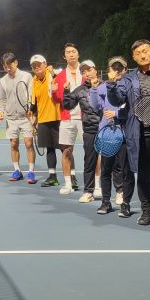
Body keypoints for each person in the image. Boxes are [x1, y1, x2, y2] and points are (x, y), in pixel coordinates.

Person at [106, 39, 150, 225]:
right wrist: (112, 85)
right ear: (133, 57)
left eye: (145, 51)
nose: (143, 55)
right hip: (140, 135)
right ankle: (147, 211)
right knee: (144, 176)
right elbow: (117, 101)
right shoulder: (128, 79)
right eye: (138, 53)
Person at [91, 57, 135, 217]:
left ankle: (126, 204)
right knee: (106, 170)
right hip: (107, 135)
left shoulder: (130, 85)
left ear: (125, 69)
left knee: (126, 171)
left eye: (120, 68)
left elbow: (133, 109)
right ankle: (105, 202)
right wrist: (93, 89)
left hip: (125, 135)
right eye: (113, 68)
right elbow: (95, 107)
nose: (116, 71)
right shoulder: (102, 87)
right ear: (109, 69)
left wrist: (116, 113)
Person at [62, 60, 101, 202]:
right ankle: (88, 192)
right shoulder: (79, 90)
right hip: (90, 129)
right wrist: (66, 91)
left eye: (89, 70)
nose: (87, 74)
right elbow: (68, 105)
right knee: (89, 161)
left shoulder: (107, 86)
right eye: (84, 72)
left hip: (106, 129)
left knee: (114, 162)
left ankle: (119, 191)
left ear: (95, 69)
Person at [0, 52, 36, 182]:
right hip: (11, 118)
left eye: (10, 65)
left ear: (16, 63)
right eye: (5, 66)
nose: (8, 68)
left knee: (29, 143)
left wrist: (31, 110)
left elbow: (32, 95)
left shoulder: (27, 76)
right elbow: (2, 99)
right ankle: (17, 171)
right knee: (13, 144)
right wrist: (1, 112)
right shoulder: (3, 81)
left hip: (25, 117)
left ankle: (31, 172)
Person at [51, 43, 84, 194]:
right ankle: (68, 184)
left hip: (85, 117)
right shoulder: (60, 77)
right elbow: (57, 99)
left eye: (73, 51)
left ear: (78, 54)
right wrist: (54, 92)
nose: (71, 54)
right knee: (66, 151)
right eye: (68, 52)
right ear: (64, 57)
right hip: (67, 117)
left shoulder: (86, 72)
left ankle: (96, 186)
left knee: (92, 151)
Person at [29, 54, 60, 186]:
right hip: (43, 120)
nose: (36, 67)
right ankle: (52, 177)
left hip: (58, 117)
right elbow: (34, 102)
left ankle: (72, 177)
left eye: (39, 64)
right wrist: (33, 116)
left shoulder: (53, 74)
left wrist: (53, 74)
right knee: (50, 149)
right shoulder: (34, 81)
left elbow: (61, 82)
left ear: (45, 64)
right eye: (34, 65)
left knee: (65, 149)